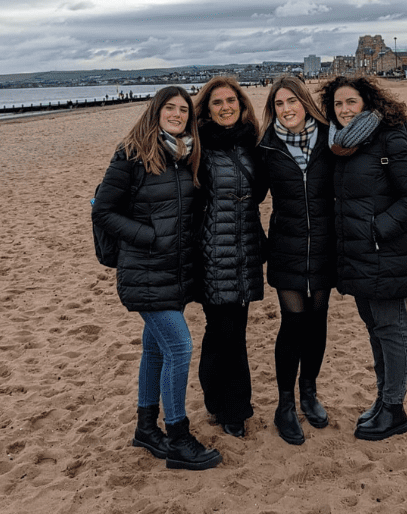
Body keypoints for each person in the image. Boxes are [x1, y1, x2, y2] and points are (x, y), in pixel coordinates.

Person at [92, 86, 222, 471]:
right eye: (170, 108)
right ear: (156, 111)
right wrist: (148, 237)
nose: (178, 114)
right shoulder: (132, 153)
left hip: (174, 272)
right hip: (145, 271)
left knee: (155, 350)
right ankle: (178, 436)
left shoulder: (184, 156)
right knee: (180, 347)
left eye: (184, 110)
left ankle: (146, 428)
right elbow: (104, 211)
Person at [320, 76, 407, 441]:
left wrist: (375, 229)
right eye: (337, 104)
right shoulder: (341, 144)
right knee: (375, 328)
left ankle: (395, 409)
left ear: (367, 103)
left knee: (392, 328)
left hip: (384, 250)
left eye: (351, 102)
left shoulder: (389, 136)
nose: (344, 110)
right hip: (358, 254)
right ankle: (384, 400)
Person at [257, 76, 336, 445]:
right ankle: (285, 404)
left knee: (317, 322)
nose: (286, 109)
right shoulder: (266, 147)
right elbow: (247, 193)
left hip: (324, 245)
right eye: (279, 104)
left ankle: (309, 393)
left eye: (292, 101)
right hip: (286, 248)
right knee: (293, 323)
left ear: (304, 102)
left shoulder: (331, 139)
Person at [193, 76, 267, 438]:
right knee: (225, 331)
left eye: (231, 101)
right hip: (213, 251)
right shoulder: (197, 148)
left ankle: (218, 399)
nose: (225, 108)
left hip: (247, 248)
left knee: (231, 329)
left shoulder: (251, 144)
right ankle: (231, 408)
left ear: (241, 105)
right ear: (207, 110)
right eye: (217, 103)